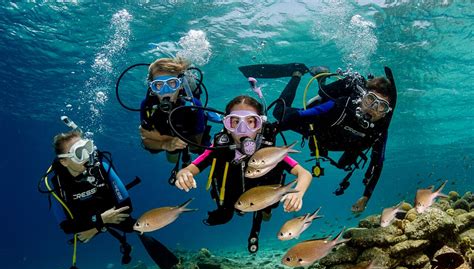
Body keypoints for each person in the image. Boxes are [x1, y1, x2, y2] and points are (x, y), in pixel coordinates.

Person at [240, 63, 397, 213]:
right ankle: (297, 74)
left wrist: (366, 196)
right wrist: (275, 127)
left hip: (337, 144)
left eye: (381, 106)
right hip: (315, 129)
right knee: (278, 113)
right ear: (362, 97)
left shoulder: (379, 130)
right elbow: (302, 115)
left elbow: (377, 163)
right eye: (370, 100)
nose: (372, 109)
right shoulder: (341, 106)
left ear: (386, 112)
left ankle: (319, 78)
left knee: (344, 163)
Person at [174, 95, 312, 253]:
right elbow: (190, 168)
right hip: (228, 198)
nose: (242, 130)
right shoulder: (218, 148)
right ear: (227, 124)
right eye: (235, 122)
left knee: (266, 213)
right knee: (224, 216)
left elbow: (304, 173)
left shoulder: (269, 152)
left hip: (265, 198)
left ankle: (263, 214)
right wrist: (183, 173)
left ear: (260, 125)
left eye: (251, 122)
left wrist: (298, 193)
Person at [41, 129, 179, 269]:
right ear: (64, 161)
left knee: (137, 228)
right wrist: (100, 221)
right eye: (80, 153)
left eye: (88, 148)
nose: (87, 157)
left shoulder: (102, 167)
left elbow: (127, 206)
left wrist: (98, 226)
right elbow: (66, 227)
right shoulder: (56, 185)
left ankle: (171, 266)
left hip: (112, 213)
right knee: (78, 236)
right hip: (86, 220)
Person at [139, 57, 210, 178]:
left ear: (180, 85)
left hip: (192, 136)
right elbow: (146, 142)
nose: (165, 91)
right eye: (158, 85)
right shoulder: (147, 106)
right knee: (171, 158)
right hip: (173, 141)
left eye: (172, 83)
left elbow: (195, 144)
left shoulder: (193, 105)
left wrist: (159, 138)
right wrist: (166, 144)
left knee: (198, 150)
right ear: (152, 88)